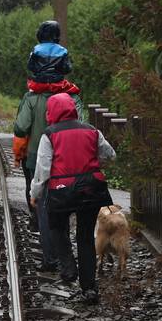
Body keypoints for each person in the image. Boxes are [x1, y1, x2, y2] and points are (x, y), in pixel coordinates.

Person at [29, 92, 115, 304]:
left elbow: (43, 169)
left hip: (61, 190)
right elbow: (109, 154)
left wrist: (35, 194)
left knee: (56, 227)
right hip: (91, 188)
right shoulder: (91, 130)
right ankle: (89, 289)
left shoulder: (49, 135)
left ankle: (68, 267)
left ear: (52, 112)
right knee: (86, 237)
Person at [13, 70, 84, 271]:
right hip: (70, 163)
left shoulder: (31, 96)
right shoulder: (72, 96)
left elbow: (21, 126)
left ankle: (50, 259)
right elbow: (83, 124)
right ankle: (69, 261)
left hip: (35, 157)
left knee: (44, 210)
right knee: (68, 210)